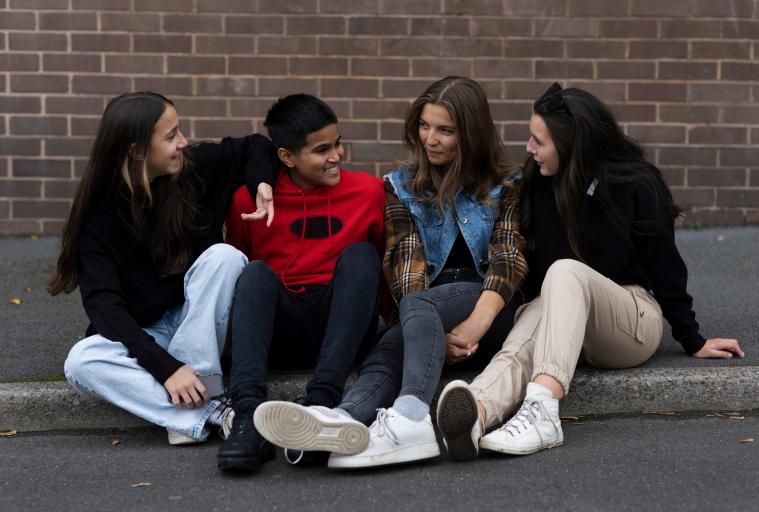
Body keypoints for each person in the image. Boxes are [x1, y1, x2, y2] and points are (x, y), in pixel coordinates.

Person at [437, 82, 745, 458]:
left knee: (566, 271)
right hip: (564, 317)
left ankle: (543, 410)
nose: (529, 149)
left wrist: (692, 337)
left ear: (571, 147)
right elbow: (531, 266)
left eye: (539, 141)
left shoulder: (637, 184)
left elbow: (665, 266)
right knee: (534, 316)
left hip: (630, 319)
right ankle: (477, 411)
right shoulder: (538, 181)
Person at [253, 76, 528, 468]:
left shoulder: (507, 185)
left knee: (418, 307)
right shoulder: (401, 186)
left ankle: (412, 416)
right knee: (387, 346)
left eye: (445, 130)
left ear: (471, 133)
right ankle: (342, 419)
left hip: (491, 304)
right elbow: (405, 269)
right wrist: (432, 333)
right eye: (425, 125)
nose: (431, 138)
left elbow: (508, 259)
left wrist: (472, 327)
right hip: (427, 312)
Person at [51, 91, 277, 446]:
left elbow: (253, 145)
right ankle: (214, 413)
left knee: (225, 257)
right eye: (170, 136)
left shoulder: (193, 170)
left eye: (179, 131)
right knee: (81, 361)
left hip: (200, 321)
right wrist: (166, 368)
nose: (183, 142)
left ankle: (199, 388)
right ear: (137, 150)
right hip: (148, 335)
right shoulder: (98, 219)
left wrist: (262, 184)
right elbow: (106, 310)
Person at [216, 94, 386, 472]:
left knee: (362, 256)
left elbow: (377, 280)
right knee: (254, 272)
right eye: (321, 149)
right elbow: (236, 277)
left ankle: (319, 410)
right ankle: (248, 419)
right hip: (281, 331)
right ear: (287, 158)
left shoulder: (369, 192)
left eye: (338, 143)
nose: (336, 156)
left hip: (340, 331)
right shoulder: (251, 199)